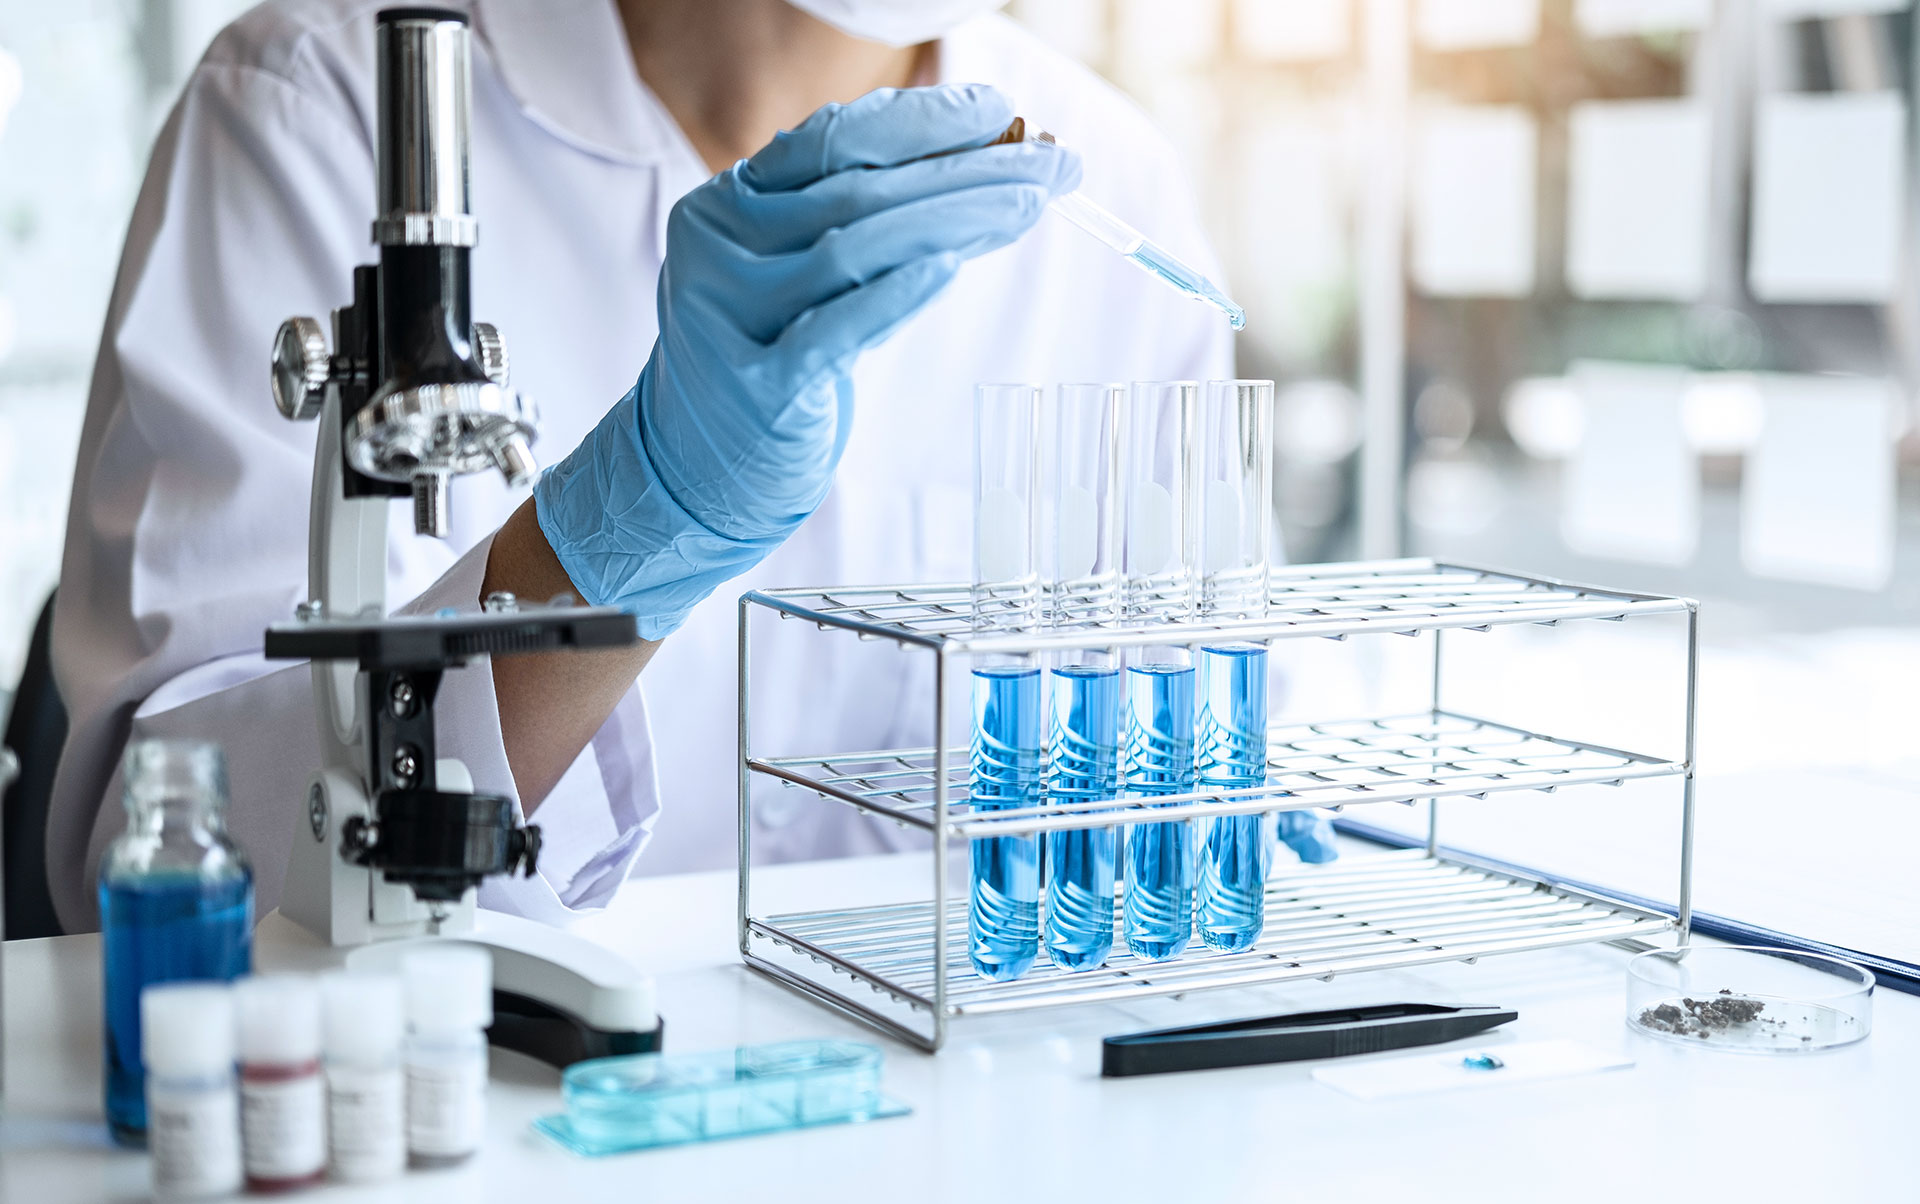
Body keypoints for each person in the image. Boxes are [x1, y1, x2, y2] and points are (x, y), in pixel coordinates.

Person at [49, 0, 1331, 933]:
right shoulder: (321, 104)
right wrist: (631, 525)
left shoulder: (1117, 187)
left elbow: (1213, 736)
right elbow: (157, 846)